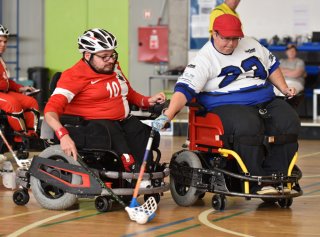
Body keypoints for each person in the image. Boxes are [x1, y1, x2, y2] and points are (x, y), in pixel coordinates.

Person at [152, 14, 300, 194]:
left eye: (235, 39)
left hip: (263, 98)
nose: (230, 43)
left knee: (289, 119)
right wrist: (168, 115)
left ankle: (277, 177)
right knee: (248, 125)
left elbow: (271, 65)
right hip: (226, 104)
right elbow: (184, 90)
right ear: (214, 34)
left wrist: (284, 88)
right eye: (226, 38)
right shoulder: (204, 59)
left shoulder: (251, 44)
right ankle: (258, 182)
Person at [44, 28, 165, 172]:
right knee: (111, 130)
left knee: (141, 131)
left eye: (112, 54)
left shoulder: (113, 67)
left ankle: (147, 171)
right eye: (104, 56)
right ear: (88, 55)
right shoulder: (74, 76)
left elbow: (127, 92)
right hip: (94, 125)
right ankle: (130, 168)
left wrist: (147, 101)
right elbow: (50, 111)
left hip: (121, 120)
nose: (111, 60)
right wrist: (63, 135)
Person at [0, 24, 40, 143]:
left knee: (31, 102)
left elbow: (7, 82)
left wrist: (22, 88)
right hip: (3, 94)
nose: (3, 45)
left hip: (5, 92)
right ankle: (20, 139)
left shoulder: (1, 59)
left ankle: (32, 137)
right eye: (0, 41)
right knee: (13, 104)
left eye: (5, 42)